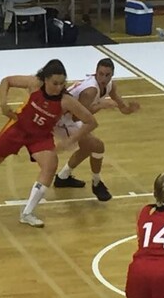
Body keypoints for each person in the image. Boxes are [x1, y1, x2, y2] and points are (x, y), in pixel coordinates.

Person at [0, 59, 98, 228]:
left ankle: (27, 212)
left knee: (50, 165)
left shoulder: (66, 101)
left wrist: (70, 140)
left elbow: (91, 122)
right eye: (55, 83)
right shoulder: (34, 84)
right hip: (18, 128)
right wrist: (3, 104)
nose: (58, 87)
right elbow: (6, 81)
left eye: (62, 83)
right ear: (45, 79)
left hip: (40, 136)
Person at [52, 58, 140, 201]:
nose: (104, 78)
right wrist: (101, 105)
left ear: (112, 75)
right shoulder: (90, 91)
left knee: (89, 147)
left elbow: (122, 107)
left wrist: (130, 108)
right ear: (96, 72)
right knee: (97, 146)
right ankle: (97, 183)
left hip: (71, 119)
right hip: (62, 120)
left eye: (107, 75)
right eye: (101, 74)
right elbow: (76, 117)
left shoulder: (111, 86)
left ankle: (63, 177)